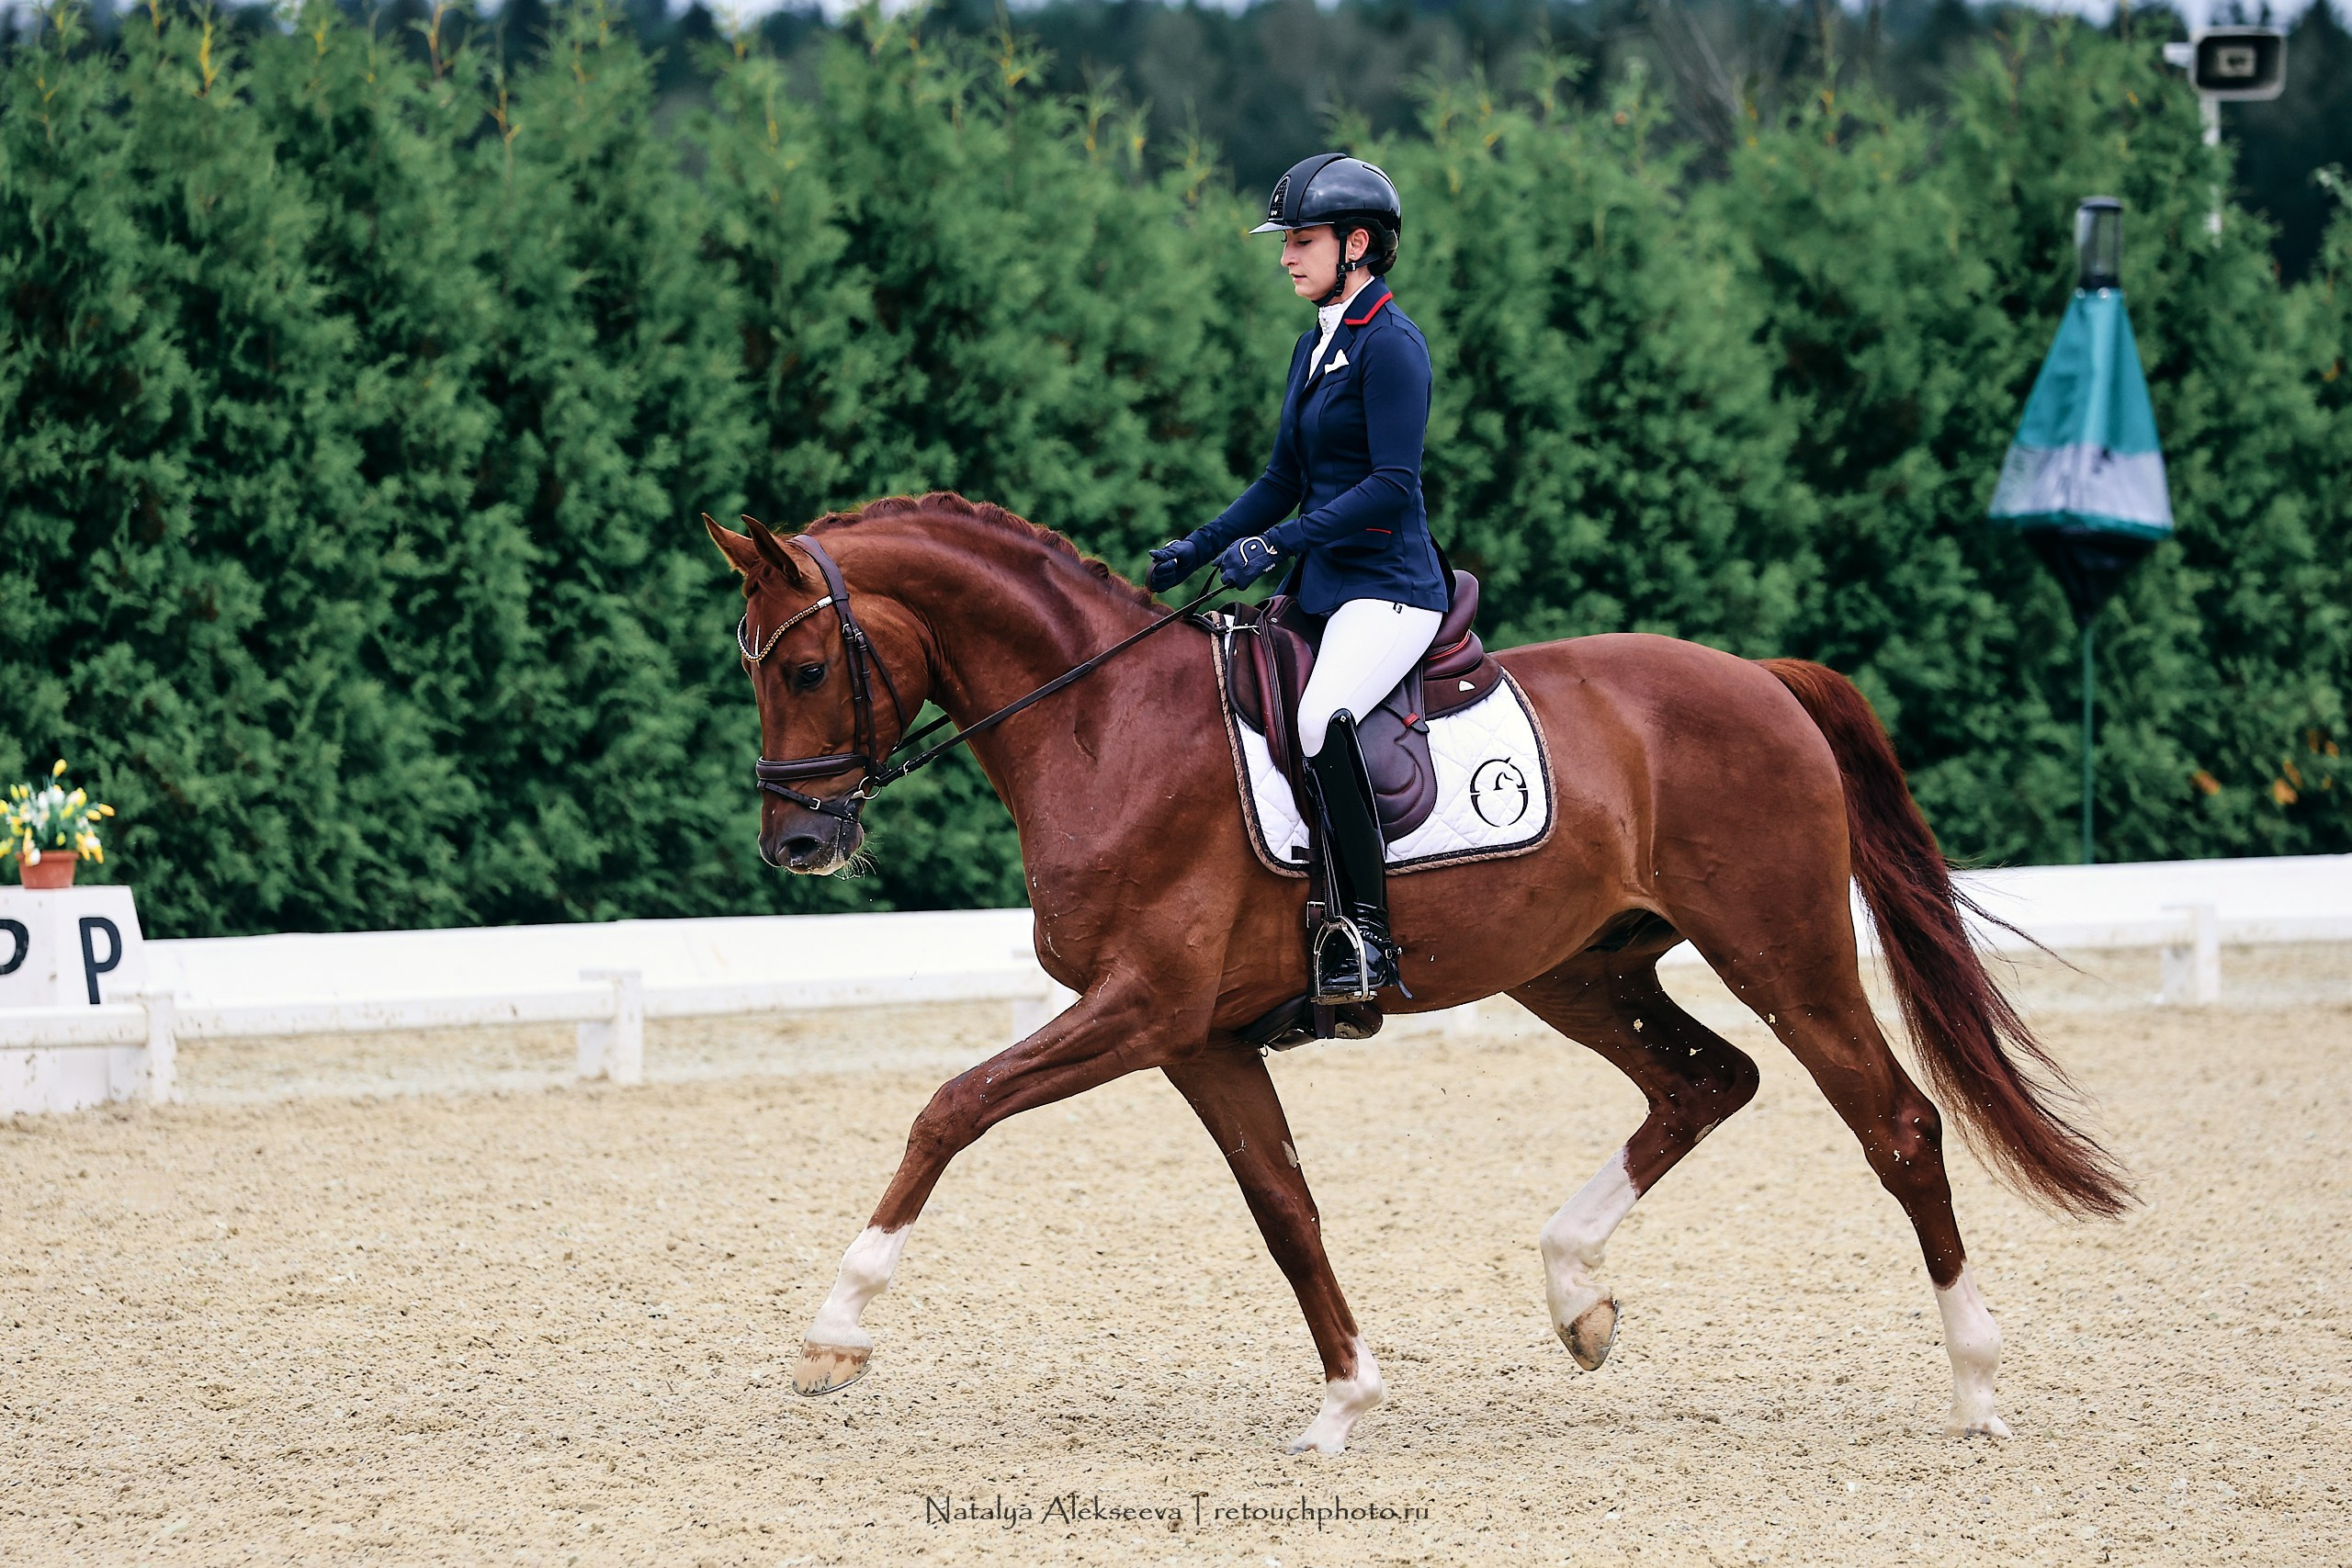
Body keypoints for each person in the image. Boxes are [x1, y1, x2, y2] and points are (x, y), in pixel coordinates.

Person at [1146, 152, 1448, 1002]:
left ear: (1358, 244)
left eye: (1302, 240)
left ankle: (1368, 936)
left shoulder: (1392, 345)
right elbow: (1284, 476)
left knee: (1323, 718)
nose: (1286, 255)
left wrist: (1275, 545)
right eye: (1287, 242)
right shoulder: (1315, 345)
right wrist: (1202, 546)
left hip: (1390, 588)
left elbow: (1391, 483)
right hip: (1325, 587)